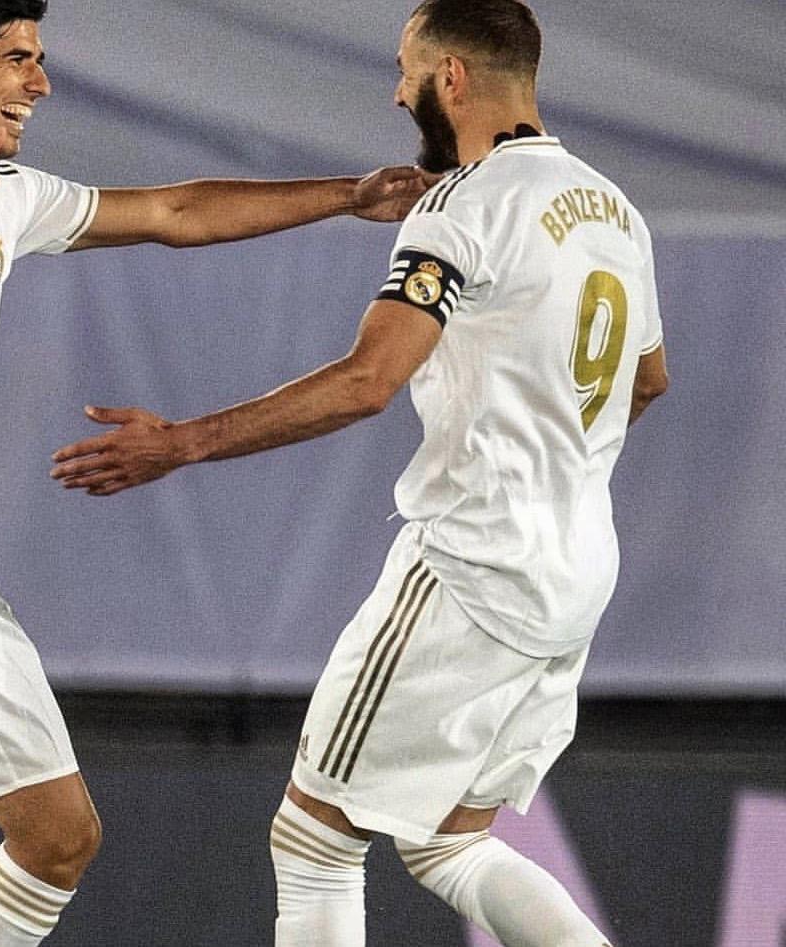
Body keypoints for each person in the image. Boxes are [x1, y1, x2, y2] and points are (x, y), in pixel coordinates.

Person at [0, 1, 434, 944]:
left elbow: (174, 212)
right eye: (17, 58)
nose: (40, 82)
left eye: (39, 58)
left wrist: (348, 196)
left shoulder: (7, 194)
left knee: (58, 836)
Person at [50, 0, 669, 944]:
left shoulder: (464, 206)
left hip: (472, 568)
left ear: (452, 78)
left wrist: (181, 442)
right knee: (449, 842)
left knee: (314, 839)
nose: (397, 91)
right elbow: (649, 380)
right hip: (577, 570)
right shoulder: (615, 210)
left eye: (407, 70)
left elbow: (366, 382)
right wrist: (552, 448)